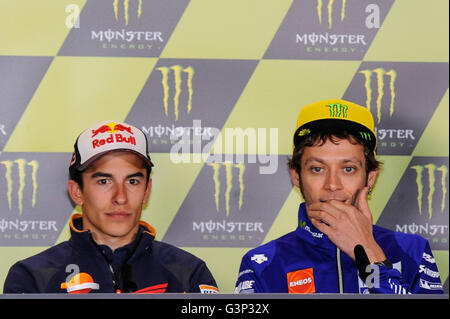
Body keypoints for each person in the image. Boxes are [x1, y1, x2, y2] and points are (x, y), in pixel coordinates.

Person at [234, 99, 443, 294]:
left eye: (349, 169)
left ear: (370, 178)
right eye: (317, 169)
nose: (332, 185)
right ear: (296, 176)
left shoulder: (413, 251)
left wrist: (370, 253)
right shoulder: (261, 263)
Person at [4, 120, 219, 294]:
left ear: (147, 190)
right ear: (77, 191)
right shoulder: (32, 277)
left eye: (132, 181)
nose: (120, 197)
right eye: (104, 181)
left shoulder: (189, 273)